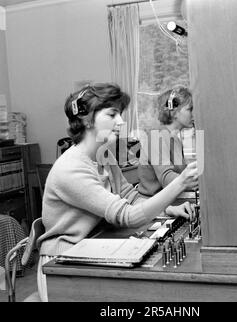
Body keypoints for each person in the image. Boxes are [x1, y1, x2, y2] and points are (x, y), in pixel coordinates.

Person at [36, 83, 199, 301]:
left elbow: (130, 196)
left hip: (95, 247)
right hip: (62, 263)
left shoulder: (104, 155)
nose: (121, 122)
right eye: (112, 114)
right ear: (86, 119)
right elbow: (128, 216)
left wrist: (169, 208)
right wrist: (180, 183)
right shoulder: (71, 168)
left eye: (120, 114)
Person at [138, 86, 194, 197]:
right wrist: (196, 182)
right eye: (190, 109)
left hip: (170, 199)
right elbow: (166, 178)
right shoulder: (157, 137)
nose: (193, 114)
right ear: (174, 112)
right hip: (152, 204)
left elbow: (180, 175)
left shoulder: (176, 139)